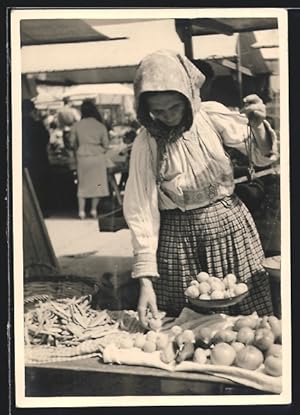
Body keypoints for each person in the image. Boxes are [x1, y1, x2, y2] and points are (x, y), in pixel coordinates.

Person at [123, 50, 279, 327]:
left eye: (175, 107)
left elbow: (260, 155)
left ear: (188, 96)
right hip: (178, 244)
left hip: (230, 231)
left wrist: (257, 126)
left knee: (247, 324)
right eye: (158, 111)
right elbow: (141, 210)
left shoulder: (210, 117)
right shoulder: (146, 143)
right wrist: (145, 282)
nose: (168, 116)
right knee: (185, 325)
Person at [69, 99, 110, 219]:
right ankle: (93, 210)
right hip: (97, 156)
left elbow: (72, 143)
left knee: (82, 184)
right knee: (97, 184)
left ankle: (81, 211)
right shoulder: (100, 125)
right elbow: (106, 145)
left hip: (83, 157)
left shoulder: (77, 125)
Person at [22, 99, 51, 217]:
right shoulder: (37, 125)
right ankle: (42, 211)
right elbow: (45, 139)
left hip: (24, 160)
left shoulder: (14, 123)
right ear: (32, 110)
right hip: (39, 160)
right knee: (40, 186)